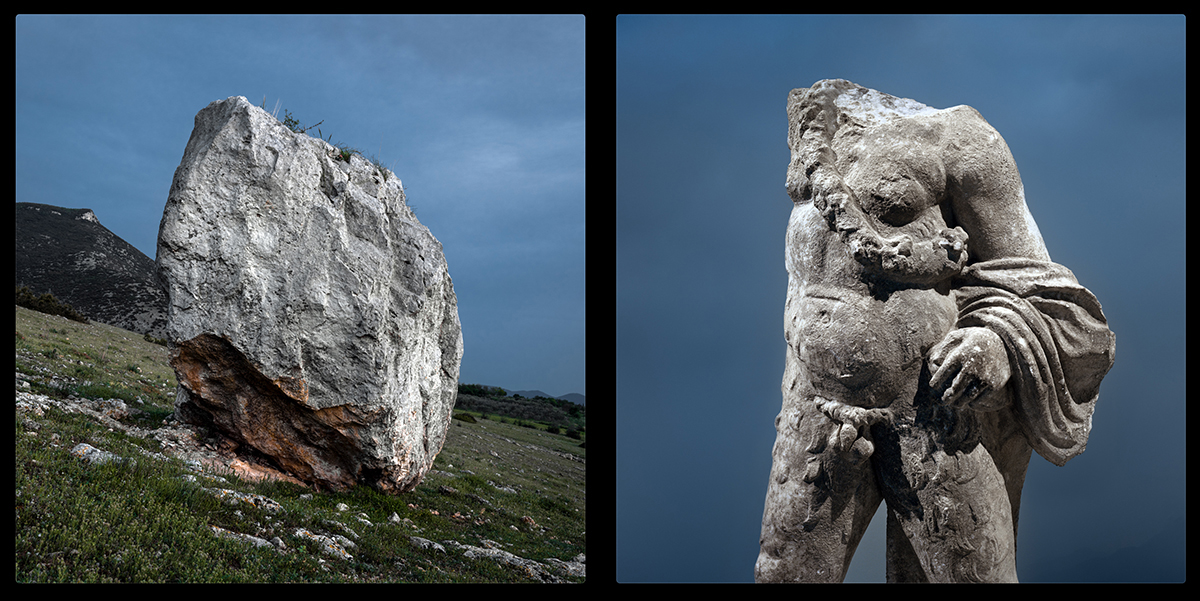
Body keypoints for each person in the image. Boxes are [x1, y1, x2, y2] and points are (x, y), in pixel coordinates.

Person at [756, 80, 1115, 583]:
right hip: (815, 410)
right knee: (782, 573)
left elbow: (1038, 283)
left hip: (931, 412)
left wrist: (994, 340)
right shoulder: (812, 135)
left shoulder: (957, 137)